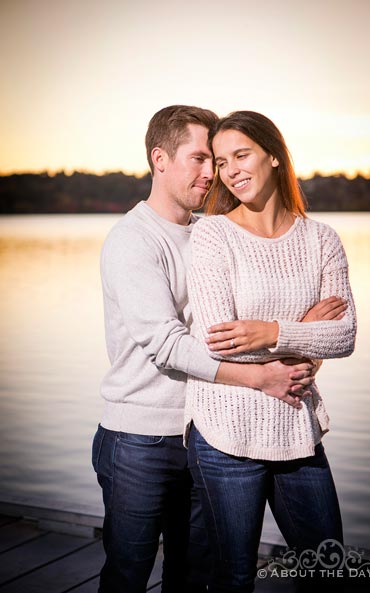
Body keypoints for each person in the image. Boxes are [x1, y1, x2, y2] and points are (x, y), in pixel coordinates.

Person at [91, 105, 322, 593]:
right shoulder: (133, 240)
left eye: (214, 161)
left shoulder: (212, 233)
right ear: (159, 158)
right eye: (199, 159)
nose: (211, 173)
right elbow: (167, 343)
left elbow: (253, 315)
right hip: (140, 439)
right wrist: (261, 377)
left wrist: (303, 332)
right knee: (128, 575)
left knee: (193, 576)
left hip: (205, 433)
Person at [185, 110, 357, 592]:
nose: (231, 170)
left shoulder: (322, 239)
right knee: (233, 580)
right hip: (225, 436)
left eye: (242, 155)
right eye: (221, 161)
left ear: (275, 156)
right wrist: (300, 329)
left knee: (328, 572)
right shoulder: (213, 234)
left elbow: (344, 336)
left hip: (298, 431)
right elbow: (219, 343)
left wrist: (267, 333)